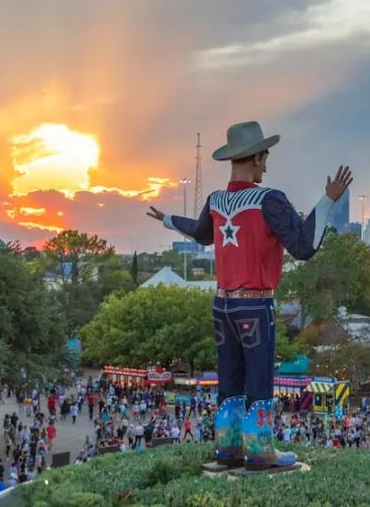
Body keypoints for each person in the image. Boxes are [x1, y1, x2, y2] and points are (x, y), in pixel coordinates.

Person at [149, 120, 351, 471]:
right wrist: (328, 199)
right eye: (266, 157)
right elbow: (303, 246)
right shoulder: (268, 199)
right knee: (259, 379)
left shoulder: (216, 200)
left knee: (229, 380)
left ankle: (227, 451)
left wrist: (167, 219)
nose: (267, 165)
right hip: (255, 305)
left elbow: (200, 234)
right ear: (256, 157)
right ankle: (259, 451)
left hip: (222, 305)